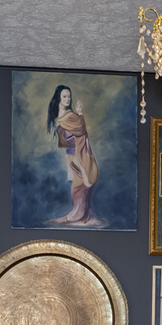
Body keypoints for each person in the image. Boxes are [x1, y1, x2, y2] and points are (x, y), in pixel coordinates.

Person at [47, 85, 103, 226]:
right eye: (64, 96)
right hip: (72, 155)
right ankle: (78, 214)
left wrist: (79, 113)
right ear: (59, 98)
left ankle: (82, 215)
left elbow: (80, 129)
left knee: (82, 184)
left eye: (69, 96)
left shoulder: (70, 115)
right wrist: (79, 114)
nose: (68, 99)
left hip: (78, 154)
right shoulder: (63, 117)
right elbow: (75, 132)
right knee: (78, 184)